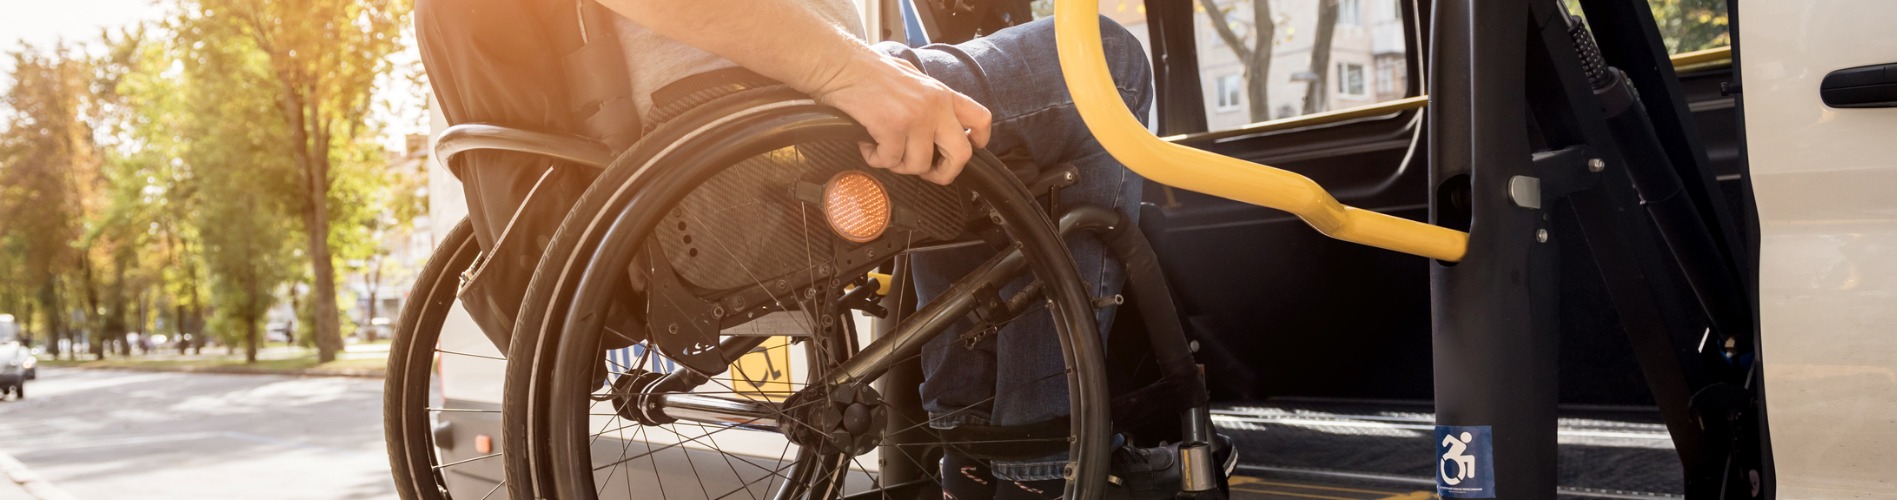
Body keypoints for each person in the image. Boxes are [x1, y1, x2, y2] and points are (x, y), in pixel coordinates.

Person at [594, 3, 1156, 497]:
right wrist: (846, 70)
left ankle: (971, 461)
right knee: (1107, 59)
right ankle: (1042, 463)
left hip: (722, 135)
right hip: (762, 125)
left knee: (942, 145)